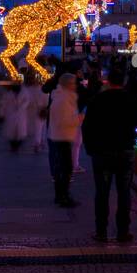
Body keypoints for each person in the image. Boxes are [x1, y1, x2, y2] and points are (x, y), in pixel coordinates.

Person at [81, 61, 137, 243]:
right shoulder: (131, 99)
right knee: (124, 193)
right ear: (123, 82)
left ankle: (101, 232)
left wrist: (91, 149)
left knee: (102, 193)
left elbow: (87, 126)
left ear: (107, 81)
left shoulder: (98, 100)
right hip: (125, 150)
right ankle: (123, 232)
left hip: (101, 152)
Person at [47, 73, 81, 207]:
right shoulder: (63, 100)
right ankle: (63, 197)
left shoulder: (62, 98)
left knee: (63, 168)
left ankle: (61, 195)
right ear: (67, 85)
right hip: (62, 137)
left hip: (60, 136)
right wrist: (80, 118)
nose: (75, 85)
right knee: (65, 169)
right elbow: (65, 121)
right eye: (73, 83)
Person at [1, 81, 29, 152]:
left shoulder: (24, 93)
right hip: (11, 114)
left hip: (20, 114)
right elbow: (3, 104)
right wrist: (1, 114)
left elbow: (27, 101)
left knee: (20, 131)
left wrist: (21, 107)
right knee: (11, 132)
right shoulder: (8, 94)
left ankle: (17, 145)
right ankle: (13, 146)